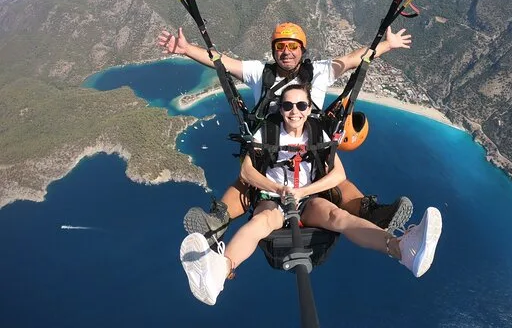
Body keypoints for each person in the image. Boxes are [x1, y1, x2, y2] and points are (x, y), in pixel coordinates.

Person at [180, 84, 443, 305]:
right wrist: (277, 189)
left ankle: (402, 249)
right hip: (273, 199)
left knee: (338, 216)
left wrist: (304, 191)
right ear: (280, 109)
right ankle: (219, 271)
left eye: (301, 105)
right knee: (261, 222)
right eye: (287, 106)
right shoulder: (267, 132)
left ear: (308, 109)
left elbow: (338, 174)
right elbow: (247, 172)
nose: (294, 111)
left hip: (306, 199)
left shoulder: (318, 133)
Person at [157, 22, 414, 243]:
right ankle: (215, 222)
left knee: (337, 181)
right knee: (247, 182)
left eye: (293, 46)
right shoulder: (260, 73)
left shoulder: (320, 72)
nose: (286, 52)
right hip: (267, 149)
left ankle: (374, 214)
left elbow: (352, 60)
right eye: (280, 46)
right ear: (273, 50)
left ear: (302, 50)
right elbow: (222, 62)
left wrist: (387, 45)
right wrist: (187, 49)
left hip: (310, 146)